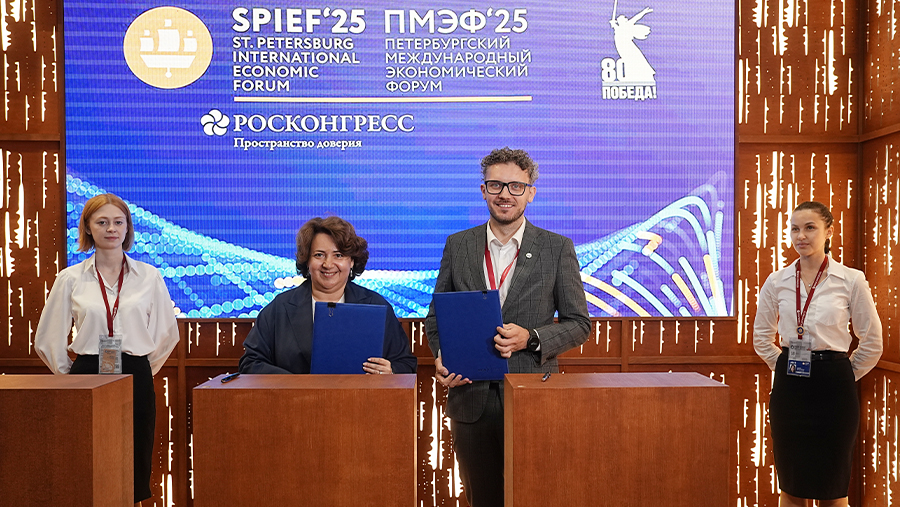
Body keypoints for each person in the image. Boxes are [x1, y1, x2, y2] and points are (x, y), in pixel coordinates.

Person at [425, 147, 591, 507]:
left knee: (534, 496)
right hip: (470, 397)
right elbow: (437, 317)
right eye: (496, 185)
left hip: (532, 395)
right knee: (482, 498)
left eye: (516, 186)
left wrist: (531, 338)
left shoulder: (556, 248)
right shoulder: (458, 245)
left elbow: (579, 324)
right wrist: (442, 357)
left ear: (531, 193)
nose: (505, 194)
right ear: (483, 191)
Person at [35, 193, 180, 507]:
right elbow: (47, 338)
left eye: (118, 222)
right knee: (88, 456)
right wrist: (72, 378)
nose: (111, 229)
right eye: (102, 222)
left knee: (134, 456)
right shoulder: (70, 278)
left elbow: (166, 334)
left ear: (127, 228)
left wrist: (140, 367)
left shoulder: (149, 276)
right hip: (87, 373)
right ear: (88, 227)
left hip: (135, 375)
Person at [753, 201, 883, 507]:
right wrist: (784, 365)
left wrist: (843, 372)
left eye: (810, 228)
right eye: (794, 229)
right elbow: (761, 338)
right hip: (791, 389)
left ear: (829, 232)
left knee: (833, 488)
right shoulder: (777, 281)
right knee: (791, 486)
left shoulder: (850, 279)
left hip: (834, 387)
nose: (801, 236)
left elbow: (872, 340)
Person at [239, 216, 417, 374]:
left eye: (338, 255)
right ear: (307, 261)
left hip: (360, 400)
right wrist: (295, 385)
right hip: (294, 400)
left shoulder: (376, 305)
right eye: (319, 255)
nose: (328, 264)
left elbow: (406, 364)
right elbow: (250, 363)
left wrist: (391, 371)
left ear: (352, 261)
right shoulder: (280, 307)